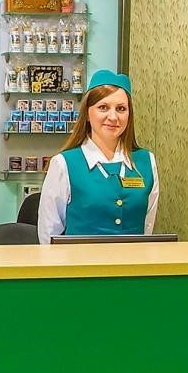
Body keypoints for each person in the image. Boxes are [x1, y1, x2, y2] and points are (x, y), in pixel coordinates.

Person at [38, 70, 160, 244]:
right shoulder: (64, 164)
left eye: (121, 109)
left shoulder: (146, 162)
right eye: (103, 107)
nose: (113, 117)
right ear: (87, 114)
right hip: (80, 261)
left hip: (133, 260)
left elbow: (147, 227)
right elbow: (48, 235)